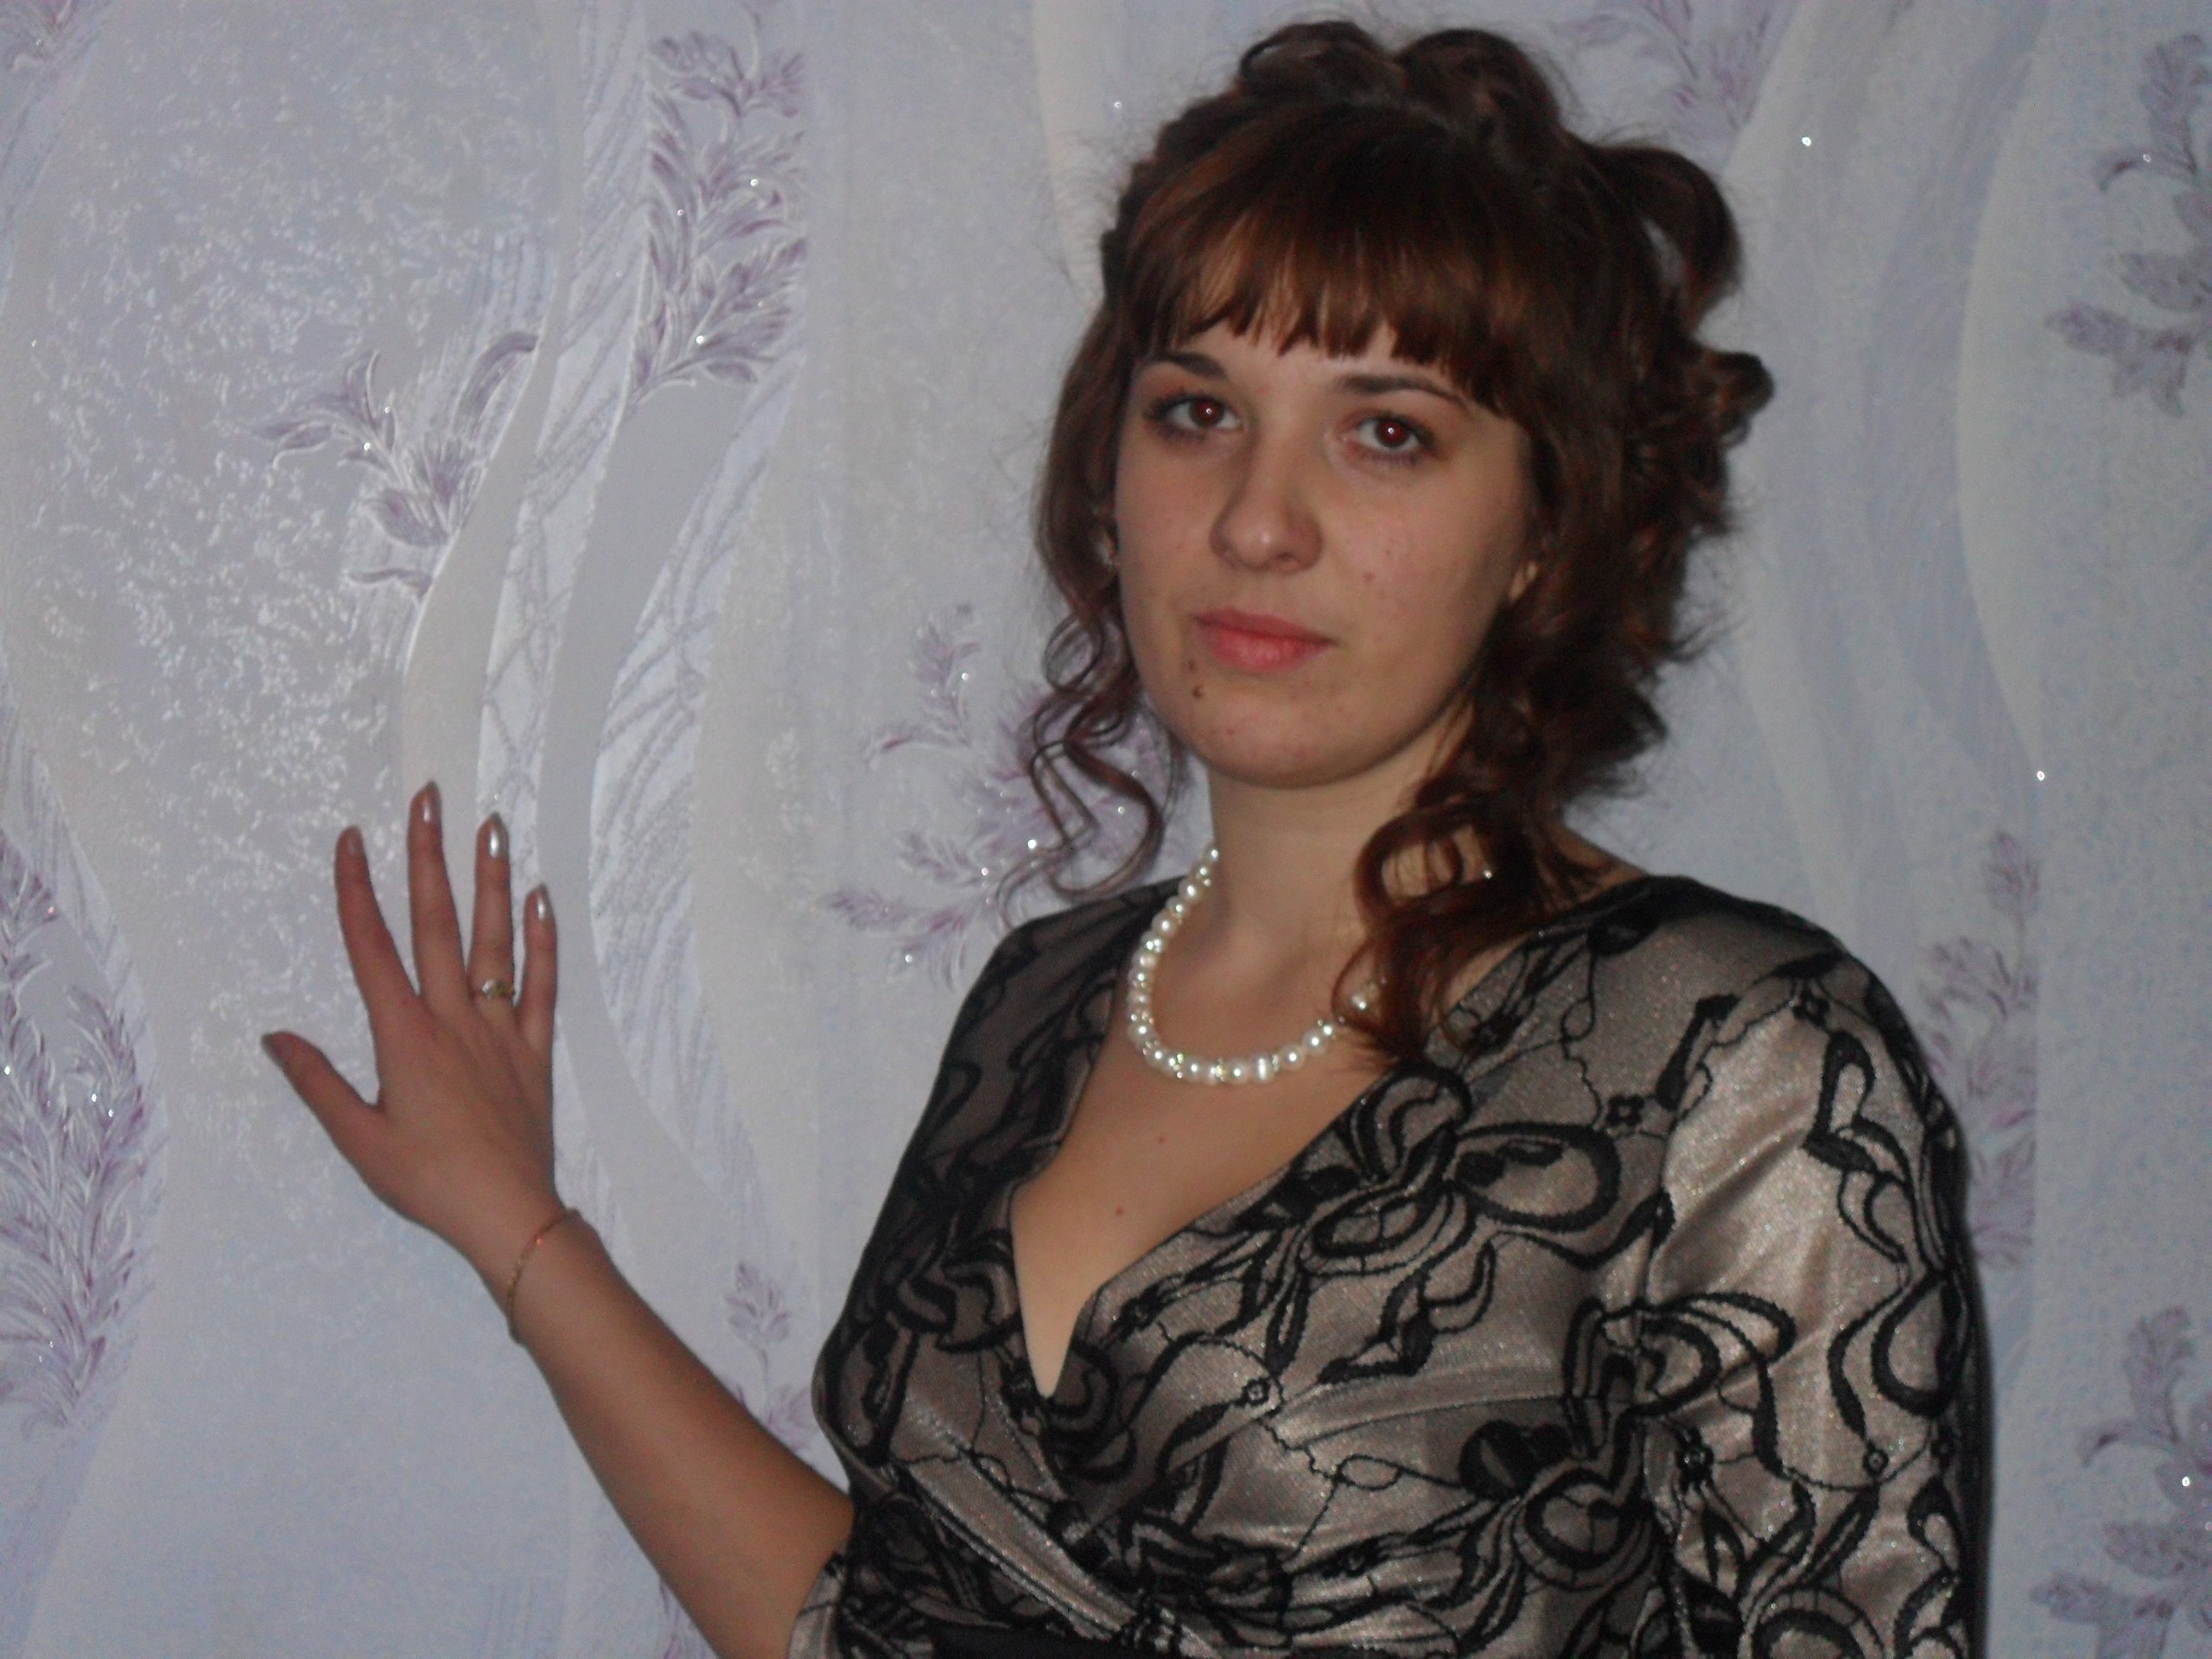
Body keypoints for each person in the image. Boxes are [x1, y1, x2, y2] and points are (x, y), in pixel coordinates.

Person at [264, 20, 1985, 1659]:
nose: (1257, 518)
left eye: (1386, 432)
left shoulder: (1733, 1060)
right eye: (1197, 410)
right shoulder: (1048, 999)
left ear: (1547, 526)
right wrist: (515, 1223)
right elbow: (875, 1623)